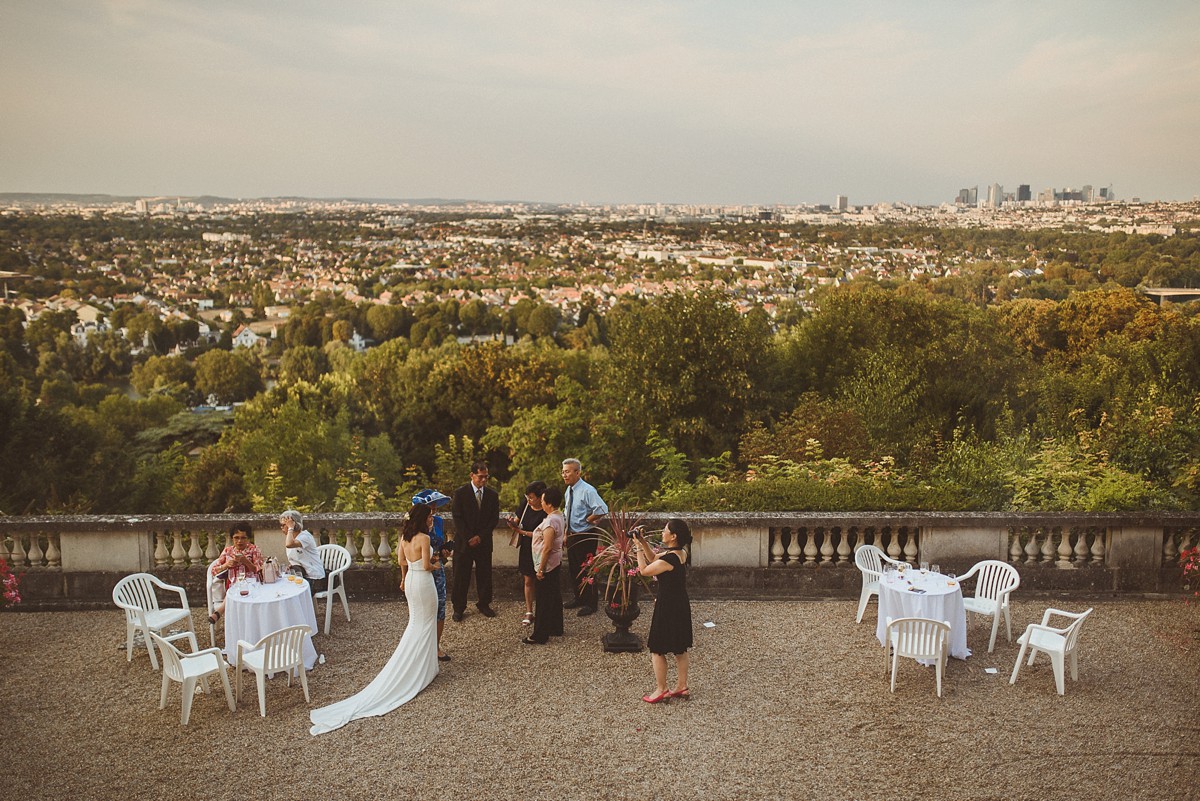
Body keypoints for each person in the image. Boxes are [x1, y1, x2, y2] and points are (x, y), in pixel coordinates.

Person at [309, 503, 439, 735]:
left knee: (416, 623)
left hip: (411, 582)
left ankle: (424, 666)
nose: (432, 520)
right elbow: (428, 566)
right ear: (422, 519)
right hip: (423, 583)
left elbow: (401, 561)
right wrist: (439, 562)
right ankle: (422, 669)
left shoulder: (405, 538)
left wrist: (403, 579)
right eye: (430, 517)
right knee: (426, 623)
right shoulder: (424, 538)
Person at [633, 518, 693, 704]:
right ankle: (682, 686)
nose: (662, 533)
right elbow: (654, 558)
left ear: (673, 536)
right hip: (680, 603)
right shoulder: (680, 553)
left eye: (665, 530)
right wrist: (643, 542)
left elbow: (644, 569)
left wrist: (636, 548)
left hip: (668, 605)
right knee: (679, 647)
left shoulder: (668, 560)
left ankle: (661, 689)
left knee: (657, 648)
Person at [450, 460, 500, 621]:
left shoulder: (492, 495)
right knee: (460, 576)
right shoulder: (460, 493)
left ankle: (484, 603)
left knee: (484, 575)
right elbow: (457, 518)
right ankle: (458, 608)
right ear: (472, 475)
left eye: (486, 477)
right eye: (480, 477)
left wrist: (480, 537)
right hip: (464, 543)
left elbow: (493, 519)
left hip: (483, 542)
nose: (484, 480)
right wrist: (469, 537)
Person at [561, 458, 608, 616]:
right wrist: (567, 532)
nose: (564, 475)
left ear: (577, 472)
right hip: (573, 535)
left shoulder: (588, 490)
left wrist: (589, 519)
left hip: (586, 535)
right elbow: (567, 513)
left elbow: (602, 508)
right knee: (574, 570)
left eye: (567, 471)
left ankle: (591, 603)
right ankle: (579, 598)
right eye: (563, 471)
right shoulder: (569, 490)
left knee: (587, 570)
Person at [412, 488, 454, 661]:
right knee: (422, 610)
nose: (435, 510)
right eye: (431, 507)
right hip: (422, 571)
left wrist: (444, 551)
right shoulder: (413, 526)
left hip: (437, 570)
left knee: (440, 608)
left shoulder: (437, 522)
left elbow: (439, 544)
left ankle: (435, 646)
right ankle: (420, 645)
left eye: (436, 507)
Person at [522, 486, 565, 645]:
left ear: (549, 503)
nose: (541, 503)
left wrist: (540, 569)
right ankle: (555, 626)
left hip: (547, 564)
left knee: (544, 599)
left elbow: (547, 547)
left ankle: (539, 634)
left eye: (543, 500)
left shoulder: (550, 521)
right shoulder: (559, 516)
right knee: (554, 595)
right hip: (555, 561)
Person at [505, 480, 547, 627]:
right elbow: (518, 521)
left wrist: (520, 532)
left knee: (543, 580)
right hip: (526, 547)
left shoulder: (547, 509)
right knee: (528, 580)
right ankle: (529, 611)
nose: (529, 500)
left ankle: (544, 611)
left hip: (542, 548)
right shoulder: (525, 505)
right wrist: (512, 524)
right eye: (527, 497)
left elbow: (541, 535)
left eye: (531, 497)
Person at [207, 523, 264, 624]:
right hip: (232, 584)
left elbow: (259, 570)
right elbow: (214, 571)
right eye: (236, 537)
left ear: (248, 538)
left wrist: (246, 561)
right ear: (232, 538)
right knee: (234, 590)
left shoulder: (254, 549)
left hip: (252, 585)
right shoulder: (228, 551)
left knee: (237, 590)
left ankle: (218, 613)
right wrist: (226, 565)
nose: (239, 541)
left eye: (243, 538)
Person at [280, 509, 325, 591]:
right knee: (281, 587)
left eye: (284, 525)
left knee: (290, 593)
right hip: (302, 575)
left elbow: (289, 544)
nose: (281, 527)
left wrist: (290, 528)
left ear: (294, 525)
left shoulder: (305, 537)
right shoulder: (292, 538)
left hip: (314, 578)